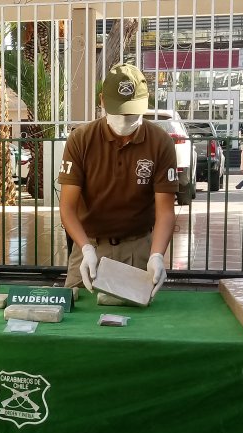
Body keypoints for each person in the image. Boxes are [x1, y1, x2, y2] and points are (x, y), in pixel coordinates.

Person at [58, 63, 176, 297]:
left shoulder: (160, 142)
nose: (124, 119)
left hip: (138, 246)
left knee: (137, 324)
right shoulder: (81, 140)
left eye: (131, 112)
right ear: (102, 101)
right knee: (77, 317)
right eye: (118, 110)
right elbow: (67, 207)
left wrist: (156, 255)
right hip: (90, 245)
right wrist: (86, 248)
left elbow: (165, 210)